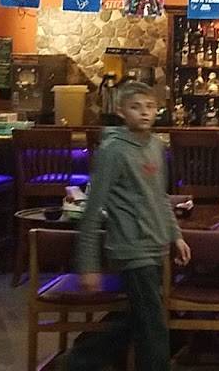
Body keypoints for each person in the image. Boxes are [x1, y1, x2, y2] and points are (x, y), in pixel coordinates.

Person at [67, 82, 190, 371]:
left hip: (156, 245)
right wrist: (88, 265)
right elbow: (93, 208)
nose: (144, 113)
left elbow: (160, 196)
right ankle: (81, 359)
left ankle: (80, 359)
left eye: (150, 106)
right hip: (130, 247)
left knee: (142, 319)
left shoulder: (157, 146)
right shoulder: (112, 151)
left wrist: (176, 236)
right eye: (136, 107)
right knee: (153, 329)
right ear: (121, 111)